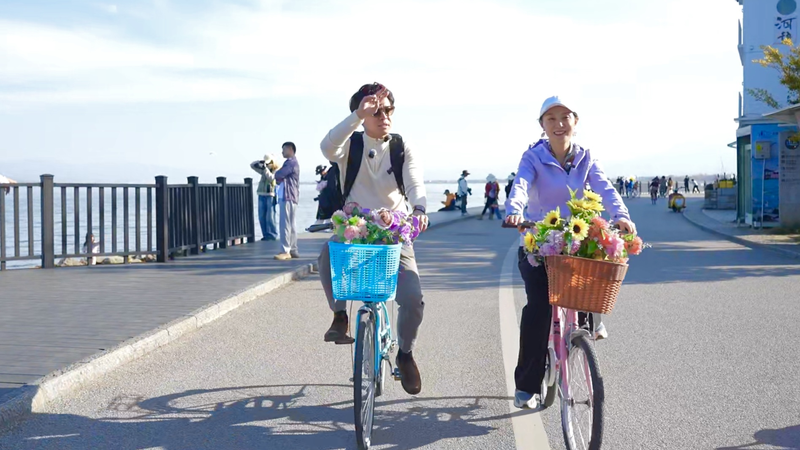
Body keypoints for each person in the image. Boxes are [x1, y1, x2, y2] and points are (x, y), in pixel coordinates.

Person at [505, 95, 636, 410]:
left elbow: (605, 188)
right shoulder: (533, 157)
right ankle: (527, 386)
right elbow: (521, 184)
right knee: (539, 308)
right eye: (551, 119)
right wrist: (514, 211)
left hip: (576, 241)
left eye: (565, 118)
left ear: (575, 122)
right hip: (539, 241)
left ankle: (585, 333)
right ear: (542, 126)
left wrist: (622, 216)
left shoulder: (586, 158)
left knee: (591, 279)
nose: (559, 124)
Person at [318, 82, 429, 395]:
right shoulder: (349, 146)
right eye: (376, 111)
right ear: (362, 114)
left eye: (388, 109)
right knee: (328, 255)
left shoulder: (400, 146)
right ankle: (340, 316)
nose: (384, 116)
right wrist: (357, 115)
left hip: (394, 231)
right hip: (354, 227)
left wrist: (419, 209)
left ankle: (405, 354)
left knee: (411, 298)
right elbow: (327, 147)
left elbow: (415, 182)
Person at [274, 142, 300, 260]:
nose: (282, 152)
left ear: (290, 149)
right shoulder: (293, 163)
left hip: (287, 195)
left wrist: (277, 175)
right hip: (292, 196)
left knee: (285, 223)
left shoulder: (290, 163)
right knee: (292, 224)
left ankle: (285, 250)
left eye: (283, 149)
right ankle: (293, 249)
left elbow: (279, 174)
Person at [250, 154, 279, 241]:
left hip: (270, 194)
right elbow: (252, 165)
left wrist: (265, 169)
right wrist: (260, 163)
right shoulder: (263, 169)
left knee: (270, 216)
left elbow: (272, 178)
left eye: (268, 162)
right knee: (262, 215)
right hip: (261, 193)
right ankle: (265, 235)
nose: (267, 164)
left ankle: (272, 234)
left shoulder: (276, 170)